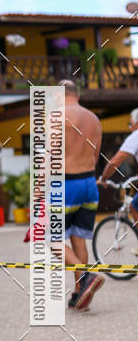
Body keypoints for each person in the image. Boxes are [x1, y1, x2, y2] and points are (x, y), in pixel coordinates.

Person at [60, 80, 104, 310]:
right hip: (89, 183)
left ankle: (86, 276)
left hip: (68, 183)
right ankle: (79, 293)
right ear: (77, 95)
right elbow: (95, 156)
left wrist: (38, 191)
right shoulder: (94, 119)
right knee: (78, 238)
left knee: (49, 239)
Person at [97, 107, 138, 235]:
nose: (130, 127)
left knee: (134, 206)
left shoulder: (135, 136)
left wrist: (103, 178)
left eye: (130, 124)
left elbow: (114, 162)